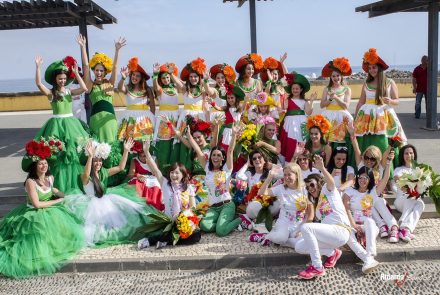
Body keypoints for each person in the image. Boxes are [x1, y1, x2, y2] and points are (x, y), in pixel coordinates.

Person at [0, 140, 84, 278]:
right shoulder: (30, 182)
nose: (44, 166)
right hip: (33, 212)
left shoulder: (50, 177)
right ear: (35, 166)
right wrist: (58, 201)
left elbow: (53, 189)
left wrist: (66, 196)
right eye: (40, 163)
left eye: (45, 163)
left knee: (61, 226)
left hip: (49, 210)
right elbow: (37, 205)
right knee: (37, 234)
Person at [295, 155, 379, 279]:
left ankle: (317, 267)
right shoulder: (317, 206)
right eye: (308, 188)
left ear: (319, 182)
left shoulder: (327, 190)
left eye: (312, 185)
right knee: (299, 246)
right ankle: (332, 253)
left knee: (306, 228)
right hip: (333, 236)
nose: (310, 189)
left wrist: (322, 168)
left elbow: (331, 182)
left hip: (340, 231)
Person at [64, 139, 155, 247]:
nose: (98, 163)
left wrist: (126, 151)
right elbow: (87, 173)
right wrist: (90, 156)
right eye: (95, 161)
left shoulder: (104, 172)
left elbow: (121, 167)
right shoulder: (84, 176)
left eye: (100, 161)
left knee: (130, 212)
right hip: (91, 204)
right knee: (95, 230)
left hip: (105, 200)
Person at [32, 53, 89, 192]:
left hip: (71, 124)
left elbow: (85, 89)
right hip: (56, 125)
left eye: (64, 78)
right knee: (58, 153)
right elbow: (39, 84)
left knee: (74, 152)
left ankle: (74, 180)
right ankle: (57, 183)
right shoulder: (52, 94)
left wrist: (76, 73)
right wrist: (38, 67)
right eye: (60, 79)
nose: (62, 81)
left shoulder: (69, 92)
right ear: (55, 79)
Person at [136, 141, 201, 249]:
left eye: (177, 173)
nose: (173, 175)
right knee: (164, 233)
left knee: (196, 236)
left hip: (183, 222)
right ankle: (150, 240)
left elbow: (193, 208)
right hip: (168, 222)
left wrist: (186, 219)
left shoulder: (189, 188)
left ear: (183, 175)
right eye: (172, 172)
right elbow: (155, 170)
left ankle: (166, 242)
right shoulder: (165, 184)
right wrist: (147, 152)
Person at [191, 124, 243, 237]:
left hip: (227, 204)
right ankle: (223, 223)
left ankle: (241, 220)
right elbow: (197, 149)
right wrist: (188, 136)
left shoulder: (227, 169)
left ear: (222, 158)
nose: (215, 157)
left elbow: (230, 151)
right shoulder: (207, 169)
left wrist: (234, 135)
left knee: (220, 232)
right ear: (210, 157)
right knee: (204, 226)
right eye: (213, 155)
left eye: (219, 155)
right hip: (213, 208)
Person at [354, 48, 407, 154]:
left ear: (379, 68)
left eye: (374, 67)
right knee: (364, 139)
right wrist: (355, 118)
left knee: (383, 139)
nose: (372, 70)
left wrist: (390, 101)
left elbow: (397, 101)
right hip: (366, 116)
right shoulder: (366, 83)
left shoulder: (390, 82)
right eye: (369, 68)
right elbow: (361, 102)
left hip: (384, 115)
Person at [78, 34, 125, 144]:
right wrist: (83, 47)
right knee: (98, 146)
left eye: (101, 71)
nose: (99, 73)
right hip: (96, 119)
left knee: (112, 143)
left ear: (105, 72)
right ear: (94, 71)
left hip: (110, 119)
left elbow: (115, 68)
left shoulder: (110, 83)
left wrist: (117, 50)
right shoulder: (90, 85)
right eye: (97, 70)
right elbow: (85, 66)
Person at [256, 163, 313, 248]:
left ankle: (284, 240)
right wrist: (269, 177)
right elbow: (261, 192)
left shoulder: (305, 189)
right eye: (285, 175)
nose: (286, 178)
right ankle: (267, 236)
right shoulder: (281, 188)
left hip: (299, 225)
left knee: (303, 243)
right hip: (284, 223)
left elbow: (310, 212)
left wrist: (305, 228)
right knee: (281, 238)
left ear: (297, 175)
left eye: (289, 174)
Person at [279, 72, 316, 163]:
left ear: (301, 89)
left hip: (301, 124)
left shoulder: (304, 101)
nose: (295, 90)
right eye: (293, 88)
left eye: (297, 88)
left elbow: (308, 112)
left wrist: (311, 101)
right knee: (290, 141)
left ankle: (302, 160)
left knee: (301, 140)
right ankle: (290, 160)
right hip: (289, 124)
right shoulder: (287, 100)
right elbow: (283, 110)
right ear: (291, 89)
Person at [117, 57, 155, 141]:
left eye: (138, 76)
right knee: (129, 142)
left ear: (141, 78)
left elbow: (152, 106)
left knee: (143, 141)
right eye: (133, 75)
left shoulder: (147, 90)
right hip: (130, 119)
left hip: (144, 119)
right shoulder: (127, 88)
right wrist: (123, 78)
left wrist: (153, 120)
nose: (135, 77)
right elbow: (120, 88)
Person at [152, 62, 180, 173]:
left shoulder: (175, 87)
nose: (166, 79)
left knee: (175, 143)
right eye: (163, 78)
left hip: (176, 117)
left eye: (167, 77)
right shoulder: (160, 89)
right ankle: (162, 170)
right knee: (164, 145)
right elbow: (155, 86)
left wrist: (172, 73)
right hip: (164, 118)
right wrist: (155, 75)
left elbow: (182, 85)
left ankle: (174, 169)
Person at [393, 144, 425, 242]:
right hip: (400, 201)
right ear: (402, 155)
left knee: (421, 204)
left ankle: (406, 228)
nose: (409, 155)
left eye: (411, 153)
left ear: (414, 155)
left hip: (414, 200)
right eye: (406, 153)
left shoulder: (419, 170)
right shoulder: (398, 170)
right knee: (410, 196)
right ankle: (403, 224)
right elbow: (403, 187)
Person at [320, 57, 353, 147]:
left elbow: (346, 106)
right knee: (327, 141)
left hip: (341, 117)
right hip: (328, 116)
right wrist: (330, 99)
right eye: (333, 76)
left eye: (338, 75)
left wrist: (336, 97)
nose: (336, 78)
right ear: (330, 77)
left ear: (341, 76)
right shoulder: (327, 89)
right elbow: (322, 105)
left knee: (341, 141)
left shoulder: (347, 89)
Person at [126, 141, 163, 211]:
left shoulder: (153, 159)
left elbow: (156, 173)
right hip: (141, 178)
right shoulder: (134, 160)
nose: (143, 158)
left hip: (153, 179)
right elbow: (130, 175)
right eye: (141, 156)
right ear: (138, 155)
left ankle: (154, 207)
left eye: (145, 155)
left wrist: (149, 162)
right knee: (137, 186)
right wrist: (138, 175)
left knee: (155, 189)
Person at [260, 55, 287, 121]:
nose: (274, 76)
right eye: (272, 74)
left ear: (278, 75)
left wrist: (282, 63)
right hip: (272, 116)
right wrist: (270, 81)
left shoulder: (281, 85)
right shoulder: (267, 86)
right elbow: (265, 94)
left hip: (283, 114)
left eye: (276, 74)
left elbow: (287, 76)